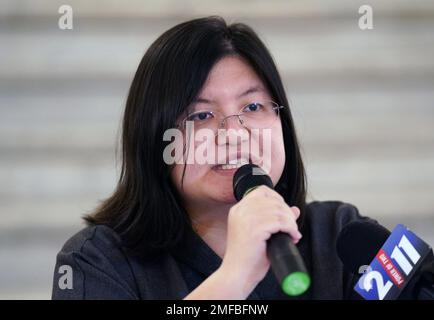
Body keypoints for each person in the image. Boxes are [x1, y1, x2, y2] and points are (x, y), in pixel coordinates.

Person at [52, 16, 371, 300]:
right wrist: (235, 277)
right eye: (201, 115)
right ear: (156, 139)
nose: (234, 133)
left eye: (253, 107)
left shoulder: (343, 236)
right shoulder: (95, 262)